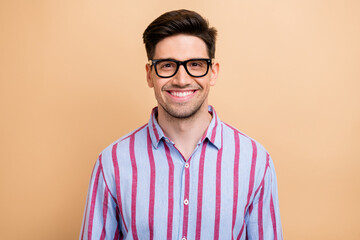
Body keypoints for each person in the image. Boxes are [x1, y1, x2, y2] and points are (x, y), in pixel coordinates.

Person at [80, 9, 282, 240]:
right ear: (149, 75)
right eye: (167, 65)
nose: (182, 79)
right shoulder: (112, 162)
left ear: (213, 73)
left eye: (195, 64)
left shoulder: (255, 161)